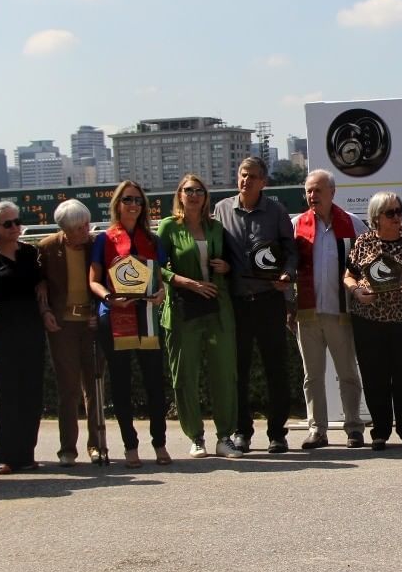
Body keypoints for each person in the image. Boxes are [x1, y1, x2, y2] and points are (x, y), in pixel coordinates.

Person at [213, 156, 297, 454]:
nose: (245, 180)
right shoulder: (222, 209)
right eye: (242, 175)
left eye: (252, 176)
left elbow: (291, 251)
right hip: (236, 304)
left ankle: (277, 433)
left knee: (276, 369)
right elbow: (215, 247)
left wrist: (288, 273)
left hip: (269, 300)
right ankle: (242, 432)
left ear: (264, 182)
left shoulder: (276, 211)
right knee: (238, 370)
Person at [89, 180, 170, 469]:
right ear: (117, 204)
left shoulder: (153, 239)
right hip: (114, 316)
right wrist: (110, 298)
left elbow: (159, 278)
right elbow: (93, 281)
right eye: (127, 200)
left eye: (137, 200)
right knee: (122, 385)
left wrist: (161, 293)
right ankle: (130, 446)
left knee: (154, 384)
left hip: (146, 315)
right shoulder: (104, 239)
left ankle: (159, 442)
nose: (133, 205)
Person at [157, 173, 239, 458]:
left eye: (199, 191)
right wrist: (186, 282)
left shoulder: (215, 228)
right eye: (188, 190)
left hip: (217, 307)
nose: (194, 195)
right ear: (180, 195)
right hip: (183, 309)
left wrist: (225, 268)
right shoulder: (168, 227)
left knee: (224, 373)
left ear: (206, 197)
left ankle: (225, 436)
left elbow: (231, 262)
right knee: (185, 376)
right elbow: (156, 268)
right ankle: (196, 437)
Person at [343, 191, 402, 450]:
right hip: (368, 319)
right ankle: (380, 431)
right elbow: (348, 276)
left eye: (399, 211)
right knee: (374, 377)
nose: (397, 217)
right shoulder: (364, 241)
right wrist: (357, 291)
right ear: (376, 217)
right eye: (390, 213)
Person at [292, 169, 366, 449]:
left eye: (318, 190)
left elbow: (368, 262)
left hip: (341, 312)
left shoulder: (353, 224)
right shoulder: (297, 225)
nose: (312, 196)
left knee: (347, 372)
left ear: (332, 193)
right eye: (309, 190)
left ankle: (354, 428)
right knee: (312, 377)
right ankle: (317, 430)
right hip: (307, 314)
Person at [0, 201, 46, 475]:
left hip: (31, 335)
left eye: (18, 221)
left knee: (30, 395)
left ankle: (25, 454)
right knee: (4, 396)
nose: (15, 227)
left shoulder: (29, 254)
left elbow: (40, 287)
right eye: (8, 224)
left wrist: (46, 312)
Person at [37, 199, 106, 466]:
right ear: (64, 228)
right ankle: (67, 449)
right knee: (68, 389)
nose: (85, 231)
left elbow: (106, 280)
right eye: (78, 228)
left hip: (90, 324)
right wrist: (45, 311)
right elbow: (39, 283)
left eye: (87, 224)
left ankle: (97, 445)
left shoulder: (95, 244)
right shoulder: (47, 248)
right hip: (62, 325)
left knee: (95, 386)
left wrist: (97, 312)